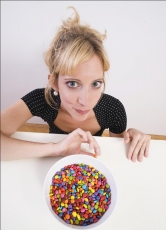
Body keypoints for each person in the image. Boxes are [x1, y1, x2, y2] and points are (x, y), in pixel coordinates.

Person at [1, 6, 151, 162]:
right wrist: (56, 148)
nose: (85, 101)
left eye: (95, 84)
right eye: (73, 83)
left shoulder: (113, 109)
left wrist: (131, 139)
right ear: (54, 82)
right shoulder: (42, 100)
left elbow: (117, 153)